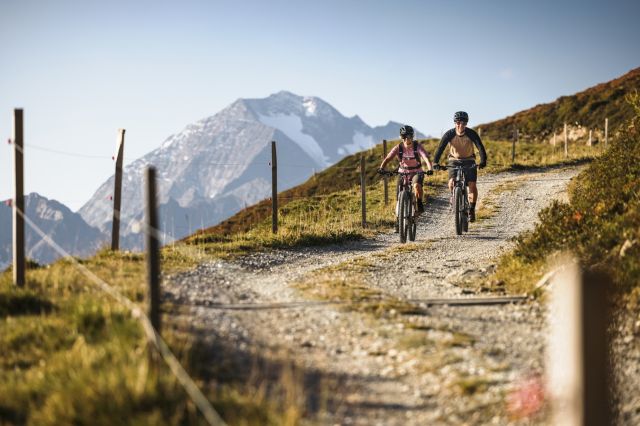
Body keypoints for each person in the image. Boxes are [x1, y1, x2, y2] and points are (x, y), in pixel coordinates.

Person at [433, 111, 487, 222]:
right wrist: (435, 162)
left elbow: (480, 147)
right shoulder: (449, 134)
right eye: (458, 122)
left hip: (469, 160)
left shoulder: (471, 133)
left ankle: (471, 209)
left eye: (463, 123)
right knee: (451, 182)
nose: (460, 125)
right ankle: (454, 196)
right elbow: (440, 148)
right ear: (455, 123)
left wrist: (483, 161)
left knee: (472, 185)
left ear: (466, 123)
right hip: (454, 160)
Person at [378, 125, 434, 214]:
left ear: (412, 136)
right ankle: (399, 216)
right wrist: (381, 167)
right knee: (399, 193)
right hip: (402, 172)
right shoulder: (398, 148)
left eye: (409, 136)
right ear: (401, 137)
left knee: (416, 186)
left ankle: (419, 202)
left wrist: (430, 168)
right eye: (404, 137)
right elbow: (388, 158)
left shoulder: (417, 146)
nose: (407, 139)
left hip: (416, 172)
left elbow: (425, 157)